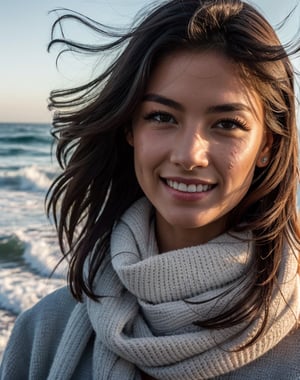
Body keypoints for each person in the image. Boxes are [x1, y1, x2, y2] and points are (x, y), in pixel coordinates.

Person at [1, 0, 300, 379]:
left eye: (226, 124)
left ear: (268, 145)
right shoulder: (42, 333)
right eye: (161, 117)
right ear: (130, 129)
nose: (189, 154)